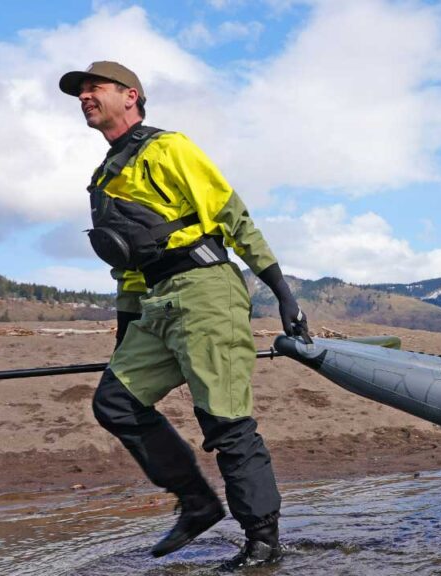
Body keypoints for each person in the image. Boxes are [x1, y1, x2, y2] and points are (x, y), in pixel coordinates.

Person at [59, 61, 308, 571]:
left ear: (131, 96)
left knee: (225, 419)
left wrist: (281, 291)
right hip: (155, 302)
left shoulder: (169, 147)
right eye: (80, 92)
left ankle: (263, 543)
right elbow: (129, 265)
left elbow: (230, 213)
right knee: (115, 402)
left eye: (94, 88)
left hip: (205, 291)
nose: (85, 96)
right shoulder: (103, 178)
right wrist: (126, 331)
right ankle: (196, 503)